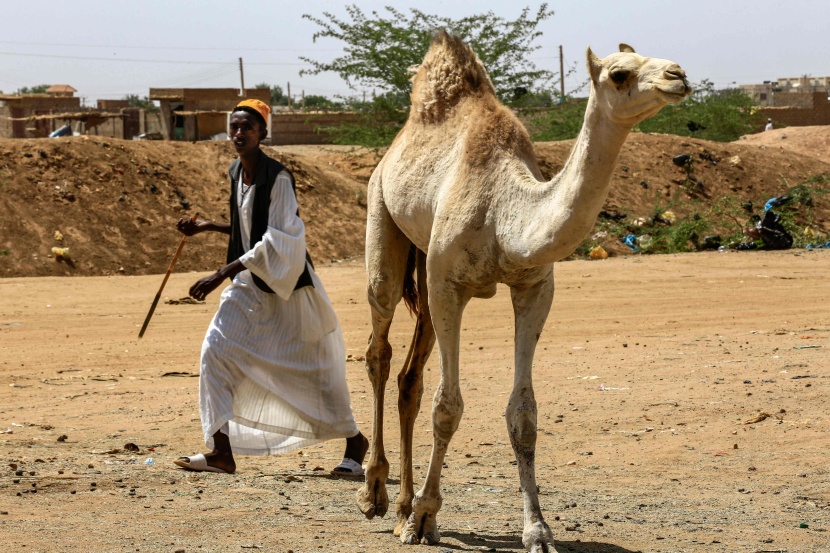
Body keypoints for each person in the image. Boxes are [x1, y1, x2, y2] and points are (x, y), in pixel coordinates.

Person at [172, 98, 368, 476]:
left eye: (247, 127)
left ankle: (355, 442)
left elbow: (281, 240)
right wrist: (208, 227)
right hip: (249, 283)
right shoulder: (235, 173)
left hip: (288, 287)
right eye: (234, 127)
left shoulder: (278, 178)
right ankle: (220, 451)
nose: (239, 133)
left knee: (315, 368)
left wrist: (219, 273)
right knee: (215, 351)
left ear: (263, 133)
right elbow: (249, 230)